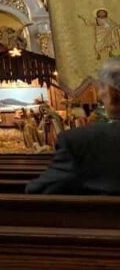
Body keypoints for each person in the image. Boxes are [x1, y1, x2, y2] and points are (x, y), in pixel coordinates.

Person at [26, 59, 120, 194]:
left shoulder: (80, 142)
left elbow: (38, 190)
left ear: (113, 92)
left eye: (103, 87)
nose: (100, 94)